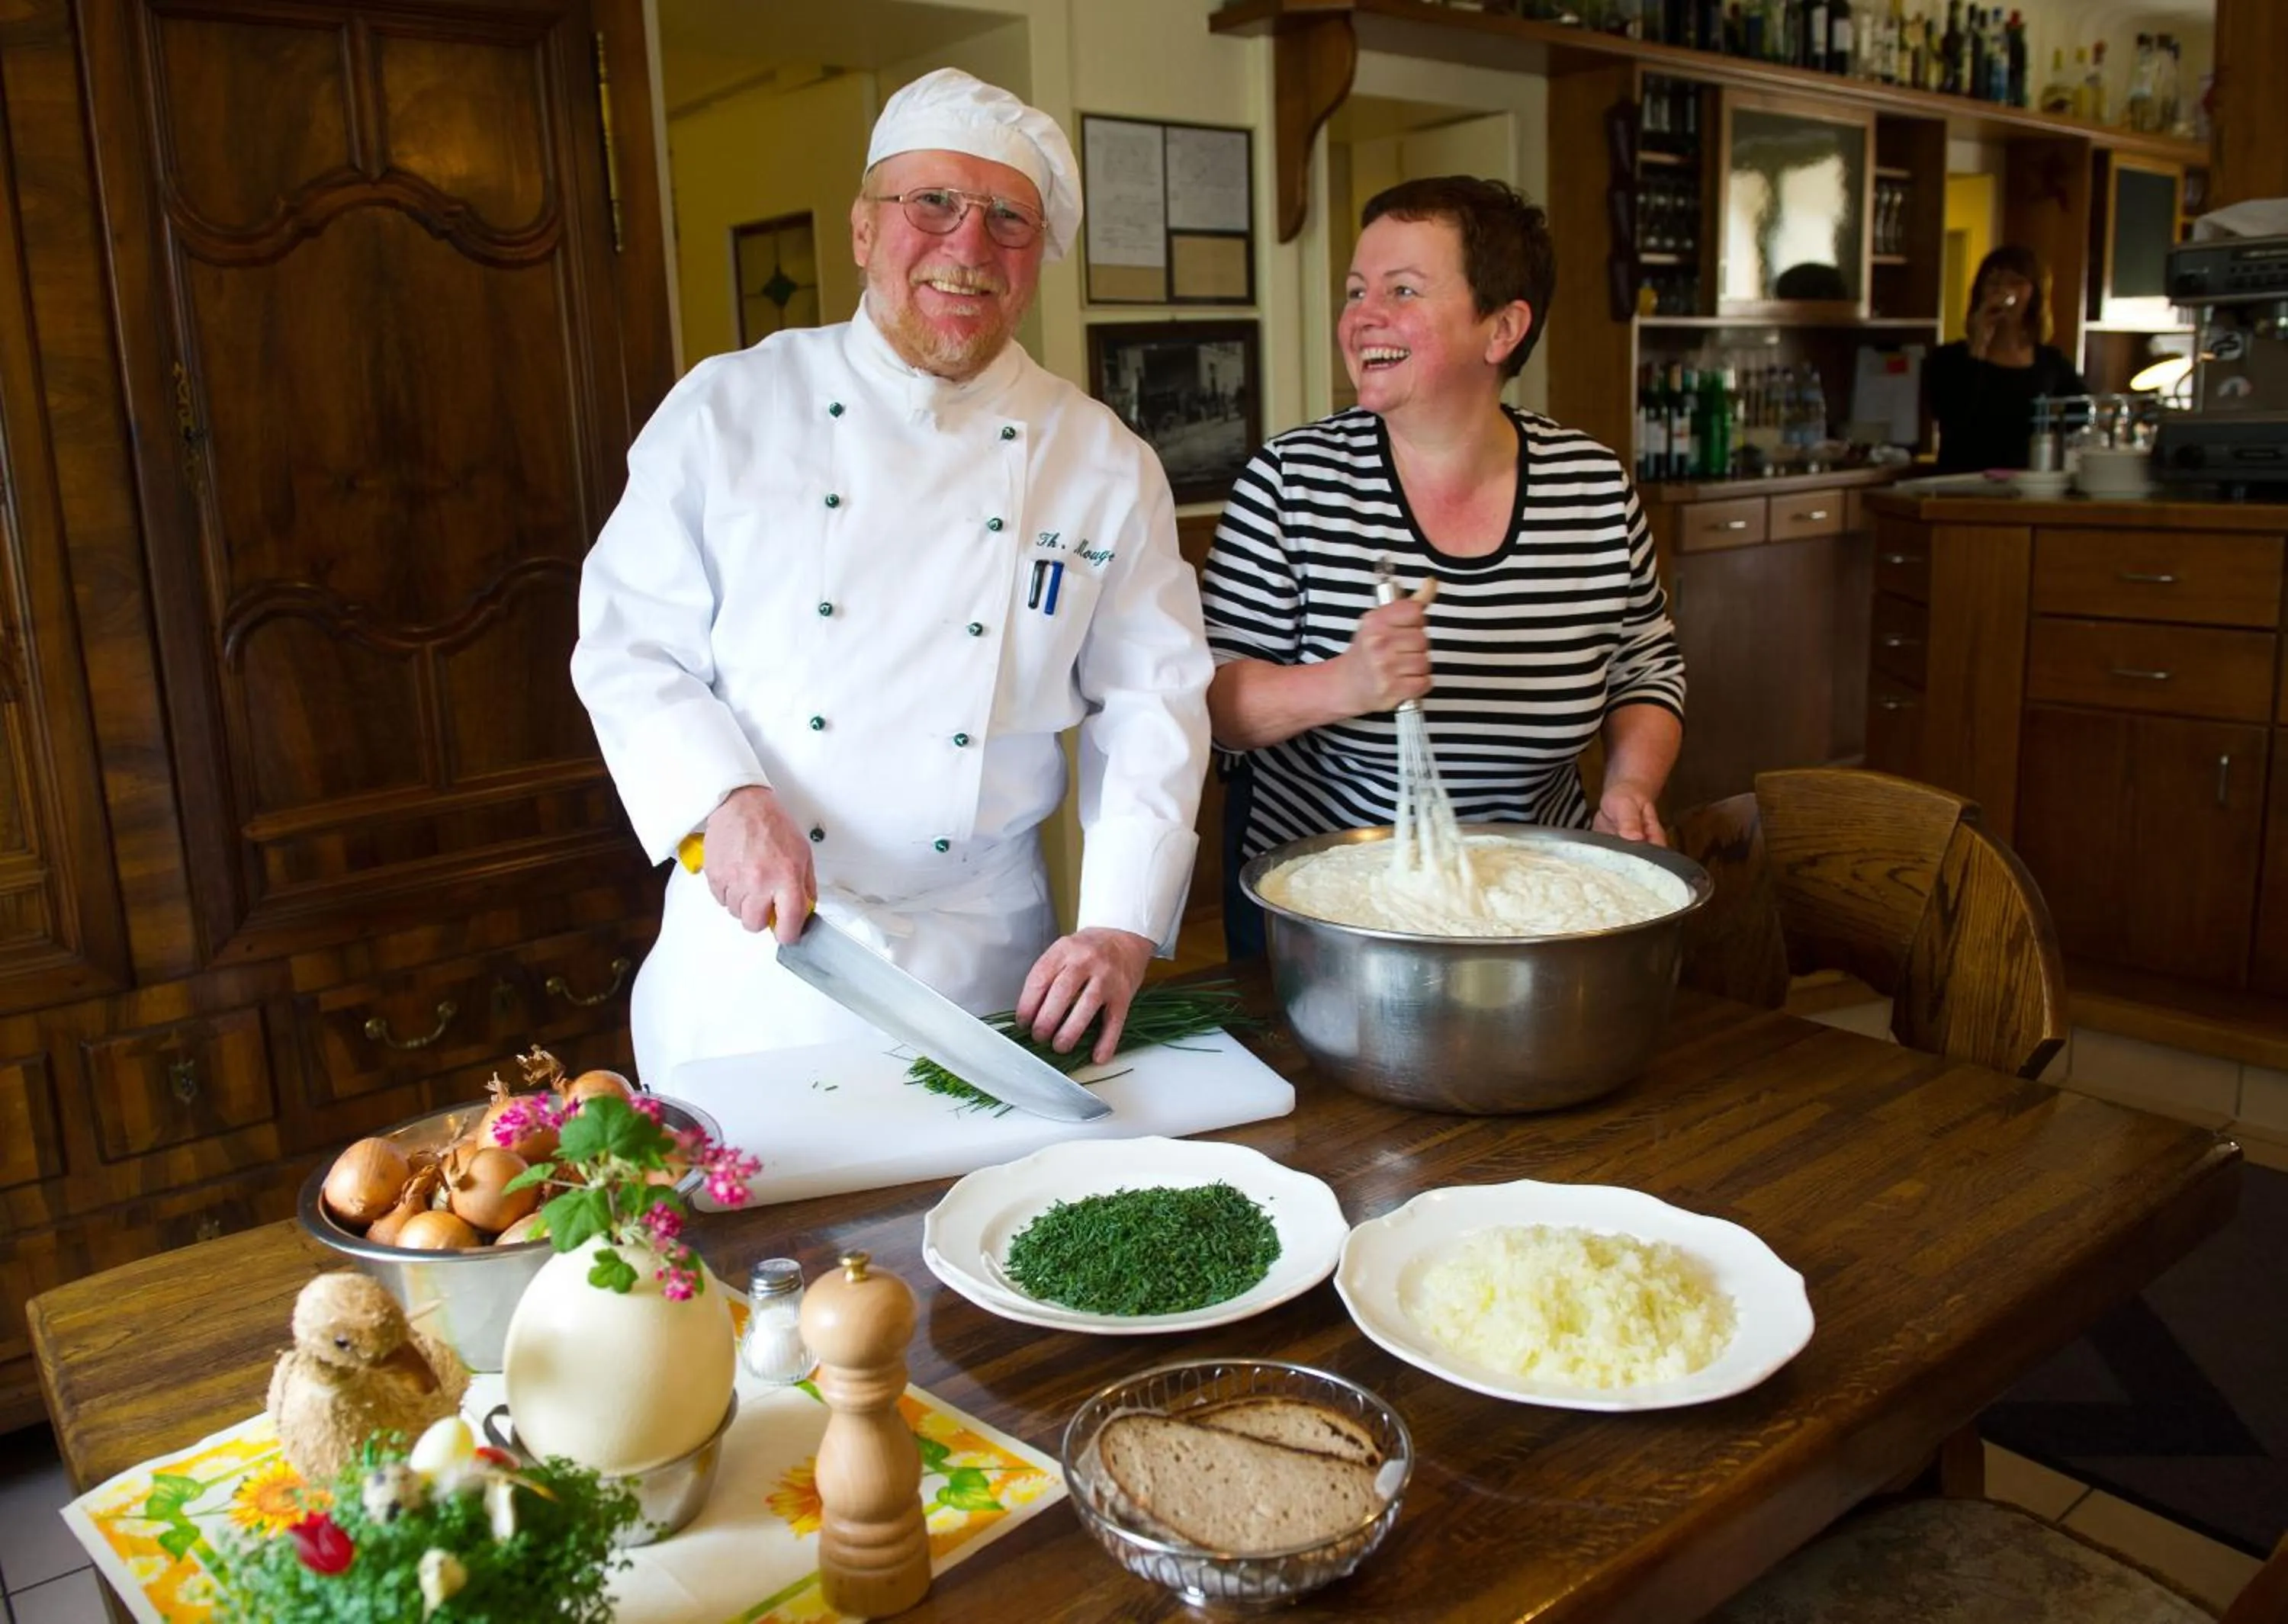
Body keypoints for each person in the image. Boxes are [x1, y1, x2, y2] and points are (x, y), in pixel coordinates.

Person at [573, 69, 1212, 1086]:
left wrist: (1122, 926)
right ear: (864, 229)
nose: (968, 246)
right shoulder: (729, 409)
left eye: (1009, 218)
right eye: (933, 204)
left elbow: (1153, 700)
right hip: (755, 962)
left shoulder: (1101, 460)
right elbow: (628, 643)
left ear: (1036, 262)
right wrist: (724, 799)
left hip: (988, 964)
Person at [1202, 176, 1685, 958]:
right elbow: (1211, 702)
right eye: (1357, 289)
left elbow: (1645, 667)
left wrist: (1631, 785)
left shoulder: (1590, 486)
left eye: (1403, 289)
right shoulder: (1292, 484)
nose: (1363, 315)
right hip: (1333, 906)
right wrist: (1348, 682)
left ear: (1501, 329)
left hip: (1534, 897)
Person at [1924, 245, 2087, 472]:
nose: (2002, 291)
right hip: (1962, 487)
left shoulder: (2051, 363)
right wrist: (1978, 345)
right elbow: (1952, 417)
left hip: (2028, 487)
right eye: (1993, 282)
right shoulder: (1948, 359)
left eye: (2015, 282)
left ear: (2034, 294)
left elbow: (2081, 415)